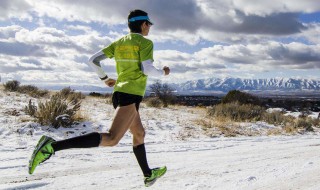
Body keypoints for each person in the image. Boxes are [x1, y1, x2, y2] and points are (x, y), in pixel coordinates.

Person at [28, 9, 170, 187]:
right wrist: (164, 72)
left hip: (120, 93)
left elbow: (92, 60)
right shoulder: (145, 42)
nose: (149, 28)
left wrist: (105, 79)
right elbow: (147, 69)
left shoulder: (118, 43)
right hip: (130, 95)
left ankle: (148, 174)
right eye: (149, 24)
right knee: (112, 139)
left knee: (139, 133)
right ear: (143, 24)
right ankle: (51, 147)